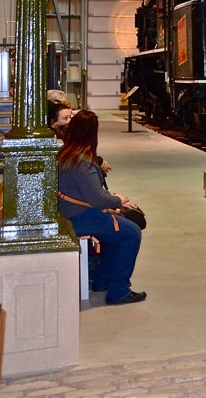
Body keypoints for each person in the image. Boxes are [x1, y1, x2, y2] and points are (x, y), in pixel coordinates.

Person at [56, 111, 146, 305]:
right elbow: (97, 198)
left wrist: (114, 200)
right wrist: (119, 200)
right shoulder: (82, 161)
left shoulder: (67, 154)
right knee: (132, 233)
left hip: (69, 212)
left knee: (120, 231)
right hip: (78, 216)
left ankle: (102, 280)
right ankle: (119, 290)